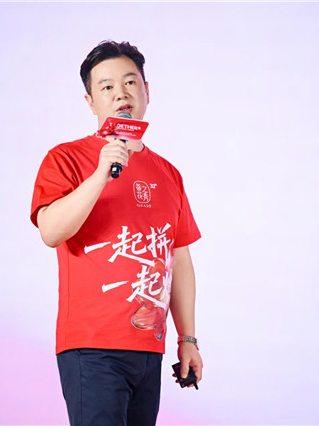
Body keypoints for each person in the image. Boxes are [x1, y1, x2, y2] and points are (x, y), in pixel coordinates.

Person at [30, 40, 203, 426]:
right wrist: (100, 175)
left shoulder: (168, 173)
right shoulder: (66, 158)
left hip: (149, 347)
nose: (121, 94)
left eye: (130, 82)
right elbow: (50, 231)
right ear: (90, 101)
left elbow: (178, 259)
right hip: (91, 346)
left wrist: (187, 339)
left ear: (146, 91)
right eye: (106, 86)